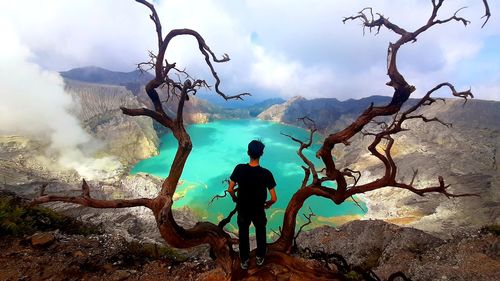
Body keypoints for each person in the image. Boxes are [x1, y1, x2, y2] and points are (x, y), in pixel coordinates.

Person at [228, 140, 277, 270]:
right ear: (261, 154)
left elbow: (230, 189)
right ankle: (260, 257)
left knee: (243, 233)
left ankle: (244, 260)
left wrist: (235, 199)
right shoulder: (266, 174)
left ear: (248, 152)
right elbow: (274, 198)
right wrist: (267, 204)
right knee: (260, 231)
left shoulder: (239, 169)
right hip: (258, 209)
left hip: (243, 208)